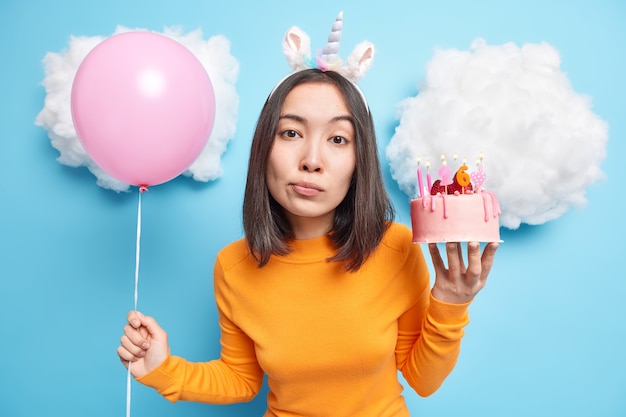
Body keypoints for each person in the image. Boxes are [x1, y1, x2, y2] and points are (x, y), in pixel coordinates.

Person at [118, 18, 498, 417]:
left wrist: (452, 304)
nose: (312, 161)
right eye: (291, 133)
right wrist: (162, 369)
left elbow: (423, 380)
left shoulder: (395, 247)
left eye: (338, 139)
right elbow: (241, 379)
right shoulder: (233, 267)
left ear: (359, 161)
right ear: (264, 147)